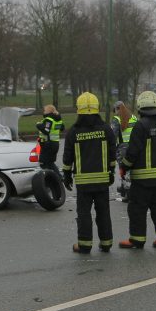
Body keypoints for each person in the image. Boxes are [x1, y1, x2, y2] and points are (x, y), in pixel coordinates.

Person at [61, 92, 117, 254]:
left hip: (83, 182)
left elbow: (67, 157)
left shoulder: (74, 132)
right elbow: (112, 153)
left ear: (79, 110)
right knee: (103, 212)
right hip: (102, 180)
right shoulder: (106, 130)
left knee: (84, 213)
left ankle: (84, 245)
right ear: (97, 109)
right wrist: (111, 172)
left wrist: (66, 176)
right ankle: (106, 243)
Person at [119, 91, 156, 250]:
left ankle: (137, 240)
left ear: (140, 107)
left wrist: (124, 167)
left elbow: (133, 152)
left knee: (137, 208)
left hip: (142, 177)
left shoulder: (141, 126)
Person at [110, 101, 133, 202]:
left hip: (122, 149)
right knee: (131, 170)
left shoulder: (116, 119)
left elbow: (113, 136)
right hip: (133, 147)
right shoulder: (133, 117)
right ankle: (126, 189)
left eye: (114, 110)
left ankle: (127, 193)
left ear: (117, 109)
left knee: (123, 170)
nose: (114, 112)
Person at [35, 104, 64, 171]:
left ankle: (53, 178)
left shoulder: (48, 120)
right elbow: (62, 128)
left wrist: (38, 125)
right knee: (50, 163)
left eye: (44, 110)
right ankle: (58, 178)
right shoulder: (58, 120)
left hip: (48, 144)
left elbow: (46, 131)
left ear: (48, 111)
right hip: (55, 144)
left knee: (43, 163)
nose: (43, 112)